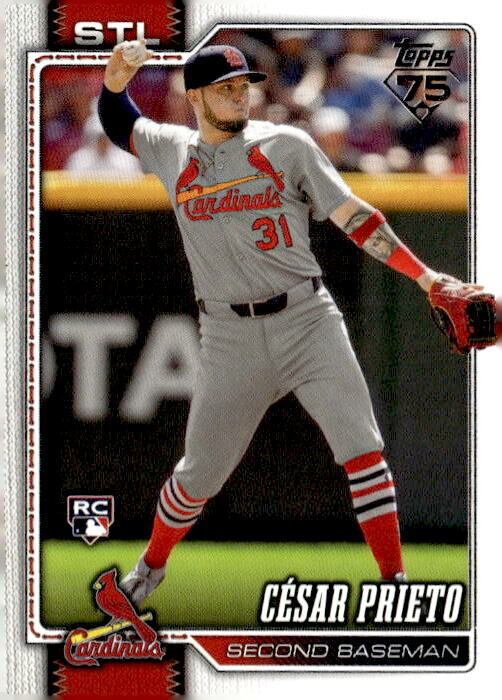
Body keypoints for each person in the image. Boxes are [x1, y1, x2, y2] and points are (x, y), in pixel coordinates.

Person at [98, 40, 479, 606]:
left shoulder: (286, 144)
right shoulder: (171, 149)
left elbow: (356, 218)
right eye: (225, 88)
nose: (240, 95)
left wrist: (425, 278)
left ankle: (394, 586)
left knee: (363, 451)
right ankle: (149, 568)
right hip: (228, 336)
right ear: (196, 97)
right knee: (198, 477)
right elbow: (118, 121)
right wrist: (113, 80)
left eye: (243, 85)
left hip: (307, 319)